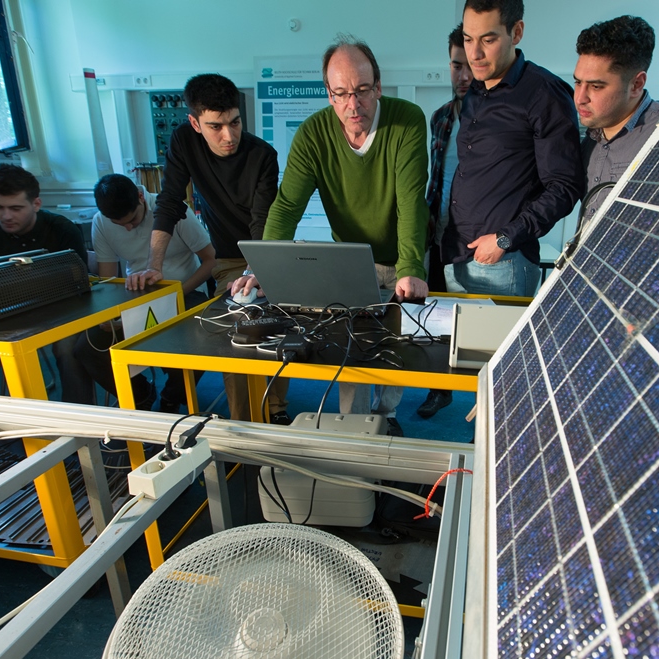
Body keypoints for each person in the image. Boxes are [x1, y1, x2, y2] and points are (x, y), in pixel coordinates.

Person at [233, 35, 430, 437]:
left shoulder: (407, 120)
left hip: (401, 255)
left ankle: (388, 416)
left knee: (396, 349)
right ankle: (354, 426)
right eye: (341, 94)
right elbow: (288, 205)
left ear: (378, 85)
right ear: (328, 93)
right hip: (352, 259)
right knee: (352, 349)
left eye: (361, 91)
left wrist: (411, 267)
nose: (353, 105)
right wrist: (262, 267)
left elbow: (412, 202)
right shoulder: (313, 134)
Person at [126, 73, 290, 424]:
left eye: (234, 123)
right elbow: (169, 202)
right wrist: (154, 264)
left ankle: (276, 411)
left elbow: (263, 221)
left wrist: (256, 270)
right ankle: (243, 425)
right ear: (195, 123)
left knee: (275, 330)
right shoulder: (183, 142)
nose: (228, 136)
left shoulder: (263, 155)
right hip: (227, 254)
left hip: (266, 250)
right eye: (216, 126)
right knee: (234, 336)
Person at [443, 0, 584, 298]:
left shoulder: (544, 93)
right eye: (469, 40)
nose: (475, 54)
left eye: (488, 40)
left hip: (502, 263)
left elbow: (565, 187)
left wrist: (504, 240)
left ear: (516, 32)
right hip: (456, 257)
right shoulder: (476, 91)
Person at [73, 174, 216, 412]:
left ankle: (172, 397)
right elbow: (110, 280)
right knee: (88, 349)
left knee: (198, 337)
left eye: (132, 220)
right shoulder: (102, 221)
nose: (128, 228)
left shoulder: (173, 210)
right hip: (136, 296)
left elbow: (211, 260)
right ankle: (140, 394)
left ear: (141, 197)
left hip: (185, 290)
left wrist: (176, 293)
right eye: (120, 225)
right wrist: (111, 315)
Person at [0, 163, 95, 405]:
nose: (6, 216)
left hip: (62, 310)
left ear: (36, 203)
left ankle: (78, 419)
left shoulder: (61, 230)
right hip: (6, 311)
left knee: (68, 350)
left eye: (16, 208)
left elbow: (78, 287)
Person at [417, 23, 472, 420]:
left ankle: (481, 399)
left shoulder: (493, 119)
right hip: (438, 235)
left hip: (476, 240)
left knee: (475, 321)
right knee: (436, 318)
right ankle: (440, 389)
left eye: (470, 66)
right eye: (456, 66)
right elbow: (433, 180)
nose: (464, 76)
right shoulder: (439, 118)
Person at [575, 15, 659, 227]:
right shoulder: (589, 138)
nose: (580, 98)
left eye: (596, 86)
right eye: (578, 82)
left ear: (636, 84)